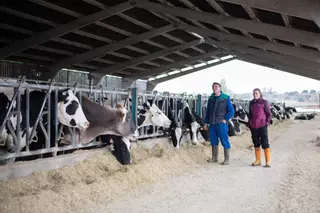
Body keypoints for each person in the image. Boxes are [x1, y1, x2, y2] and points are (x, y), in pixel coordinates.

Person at [204, 82, 234, 165]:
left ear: (220, 88)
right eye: (213, 87)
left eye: (216, 87)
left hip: (221, 123)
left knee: (224, 140)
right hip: (212, 123)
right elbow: (208, 112)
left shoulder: (225, 97)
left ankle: (227, 159)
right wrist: (206, 122)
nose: (214, 88)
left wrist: (225, 119)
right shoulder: (211, 98)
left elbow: (231, 111)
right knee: (213, 140)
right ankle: (214, 158)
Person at [248, 88, 272, 168]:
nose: (255, 94)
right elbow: (250, 115)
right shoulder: (251, 103)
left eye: (256, 93)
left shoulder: (264, 102)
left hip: (262, 125)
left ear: (260, 94)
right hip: (253, 126)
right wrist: (250, 123)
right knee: (256, 143)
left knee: (265, 142)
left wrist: (267, 123)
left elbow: (268, 114)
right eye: (254, 93)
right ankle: (258, 160)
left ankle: (267, 161)